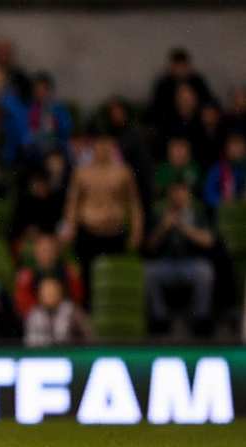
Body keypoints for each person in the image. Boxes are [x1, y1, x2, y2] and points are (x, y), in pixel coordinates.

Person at [60, 134, 144, 304]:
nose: (102, 148)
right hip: (88, 231)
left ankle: (114, 308)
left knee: (114, 275)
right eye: (98, 144)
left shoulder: (124, 172)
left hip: (115, 231)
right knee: (86, 275)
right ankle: (86, 312)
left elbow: (134, 203)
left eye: (107, 143)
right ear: (92, 146)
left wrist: (137, 230)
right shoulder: (82, 172)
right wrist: (69, 228)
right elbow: (72, 203)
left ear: (113, 146)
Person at [145, 181, 215, 334]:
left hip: (191, 264)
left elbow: (209, 240)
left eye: (181, 191)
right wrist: (163, 228)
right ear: (170, 194)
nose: (178, 195)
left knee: (205, 271)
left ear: (187, 194)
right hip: (167, 264)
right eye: (174, 191)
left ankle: (200, 320)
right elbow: (149, 245)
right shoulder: (159, 213)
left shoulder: (197, 213)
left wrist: (184, 228)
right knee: (148, 272)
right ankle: (160, 320)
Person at [15, 232, 84, 318]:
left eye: (50, 249)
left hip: (66, 316)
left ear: (57, 251)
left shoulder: (69, 272)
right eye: (43, 250)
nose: (47, 254)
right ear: (36, 252)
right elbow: (23, 304)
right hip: (37, 317)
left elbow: (77, 297)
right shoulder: (27, 276)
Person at [151, 48, 213, 129]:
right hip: (170, 121)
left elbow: (208, 101)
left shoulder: (197, 81)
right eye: (177, 66)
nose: (180, 70)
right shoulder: (163, 84)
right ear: (172, 66)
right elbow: (157, 107)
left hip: (196, 120)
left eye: (182, 66)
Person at [25, 278, 92, 347]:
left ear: (60, 293)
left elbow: (89, 337)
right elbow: (29, 341)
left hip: (69, 353)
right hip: (41, 355)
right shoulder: (33, 315)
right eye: (46, 292)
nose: (49, 294)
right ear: (40, 294)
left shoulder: (72, 311)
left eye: (52, 291)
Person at [203, 133, 246, 210]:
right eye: (233, 145)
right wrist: (222, 202)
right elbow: (208, 193)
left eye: (239, 145)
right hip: (226, 211)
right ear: (227, 148)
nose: (237, 149)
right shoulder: (218, 168)